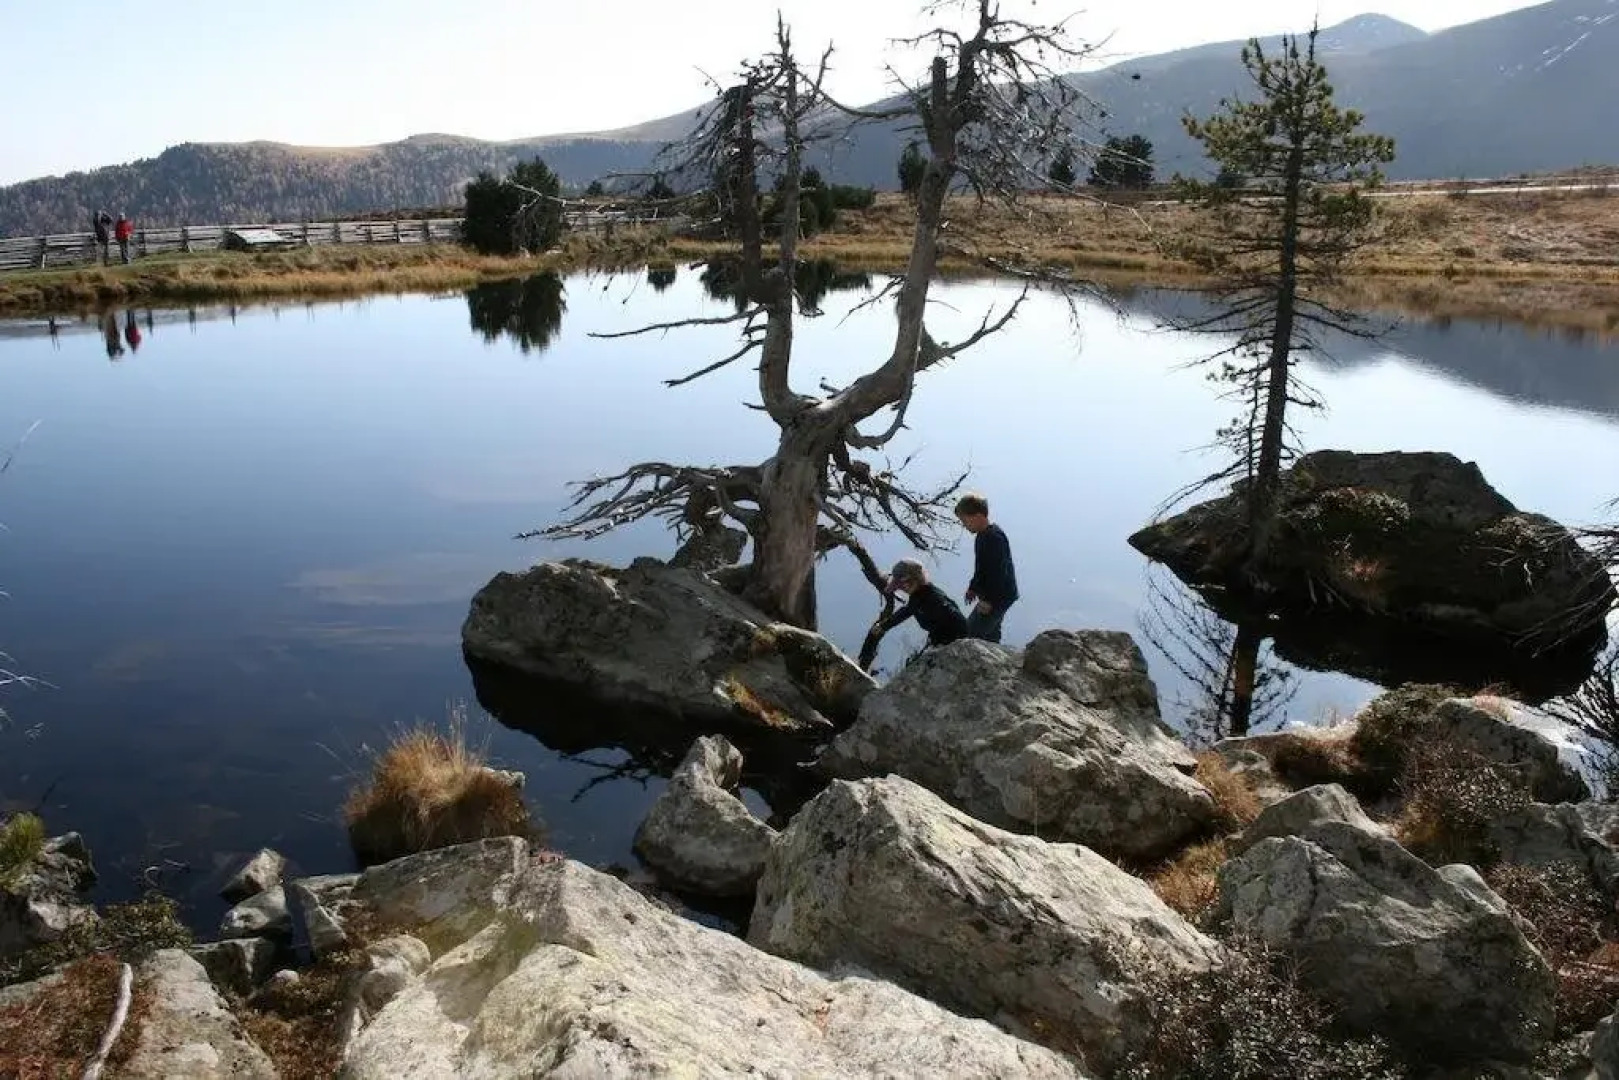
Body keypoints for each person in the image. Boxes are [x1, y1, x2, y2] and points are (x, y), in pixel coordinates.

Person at [957, 492, 1018, 643]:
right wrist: (973, 587)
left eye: (965, 521)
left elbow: (999, 573)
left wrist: (989, 601)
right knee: (991, 633)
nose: (964, 526)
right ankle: (996, 660)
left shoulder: (994, 538)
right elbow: (981, 567)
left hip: (999, 597)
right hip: (998, 595)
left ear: (977, 516)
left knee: (970, 634)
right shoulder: (982, 536)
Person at [876, 559, 968, 650]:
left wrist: (937, 643)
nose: (902, 589)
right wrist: (884, 626)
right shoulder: (917, 597)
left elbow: (955, 621)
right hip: (945, 643)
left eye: (902, 585)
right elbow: (906, 611)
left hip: (956, 646)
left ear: (915, 580)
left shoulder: (934, 598)